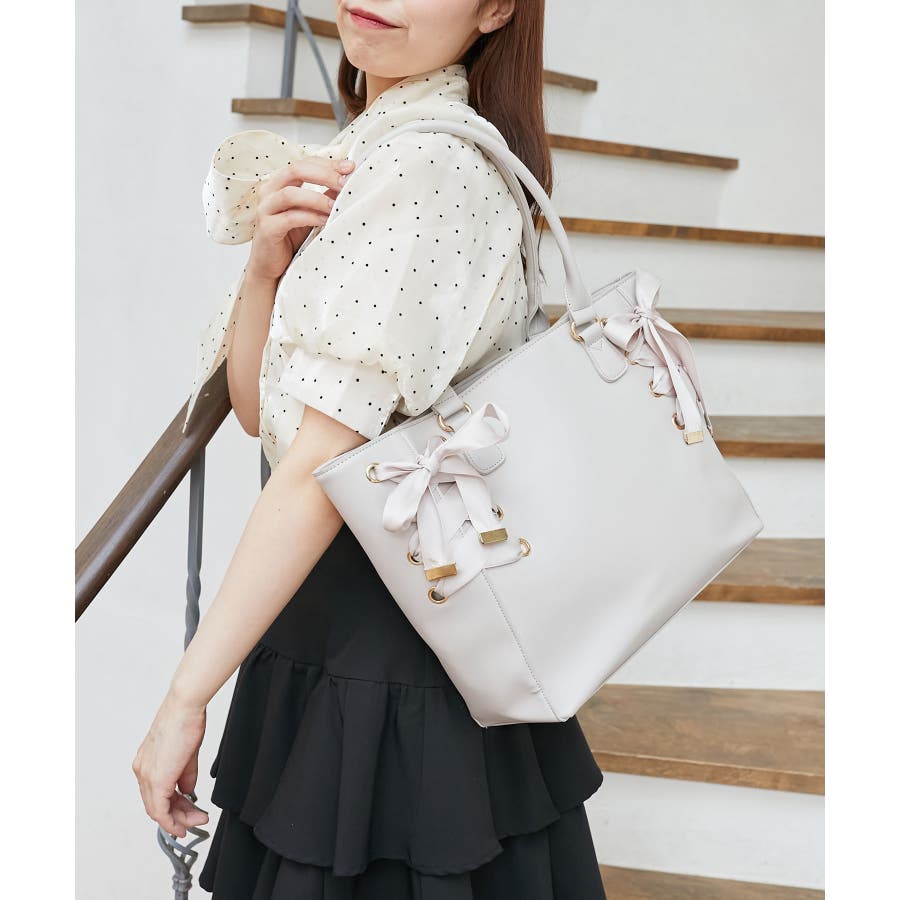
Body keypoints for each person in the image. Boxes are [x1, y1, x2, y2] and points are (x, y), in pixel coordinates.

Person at [132, 2, 608, 896]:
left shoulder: (429, 167)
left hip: (392, 660)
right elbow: (258, 416)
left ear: (495, 8)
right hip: (331, 633)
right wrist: (266, 267)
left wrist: (185, 696)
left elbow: (317, 470)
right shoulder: (376, 150)